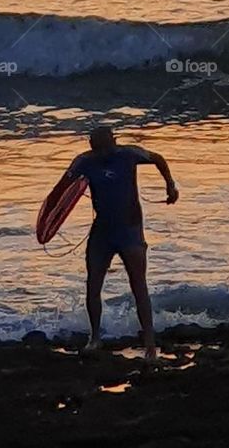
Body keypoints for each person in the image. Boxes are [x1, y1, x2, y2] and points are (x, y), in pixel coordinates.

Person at [64, 125, 178, 359]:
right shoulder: (84, 162)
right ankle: (94, 338)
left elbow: (158, 158)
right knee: (93, 285)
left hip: (130, 231)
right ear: (92, 146)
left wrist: (170, 185)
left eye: (106, 146)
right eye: (97, 148)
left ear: (113, 142)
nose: (103, 152)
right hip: (102, 233)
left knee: (139, 285)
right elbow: (62, 190)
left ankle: (149, 344)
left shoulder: (128, 154)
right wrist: (50, 219)